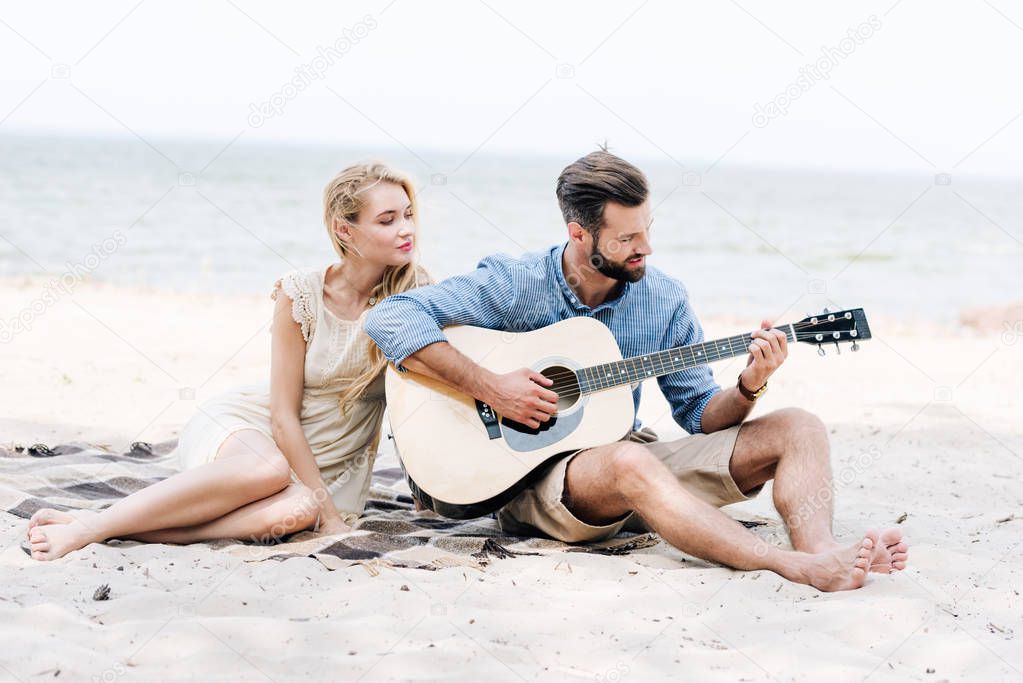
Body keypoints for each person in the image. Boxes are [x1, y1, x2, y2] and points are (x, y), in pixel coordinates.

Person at [364, 149, 909, 592]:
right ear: (579, 234)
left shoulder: (664, 298)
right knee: (628, 460)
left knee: (800, 426)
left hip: (628, 466)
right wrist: (492, 387)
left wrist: (749, 385)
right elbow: (391, 316)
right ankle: (785, 566)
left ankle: (822, 553)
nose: (645, 248)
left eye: (647, 229)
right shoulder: (515, 284)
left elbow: (700, 416)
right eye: (627, 238)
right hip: (534, 483)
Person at [28, 162, 427, 560]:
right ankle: (91, 527)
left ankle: (129, 530)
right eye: (388, 220)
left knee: (300, 509)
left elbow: (420, 402)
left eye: (408, 215)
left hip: (329, 468)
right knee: (267, 469)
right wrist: (327, 511)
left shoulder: (417, 295)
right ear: (345, 230)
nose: (406, 229)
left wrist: (419, 493)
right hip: (253, 431)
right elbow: (282, 417)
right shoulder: (301, 293)